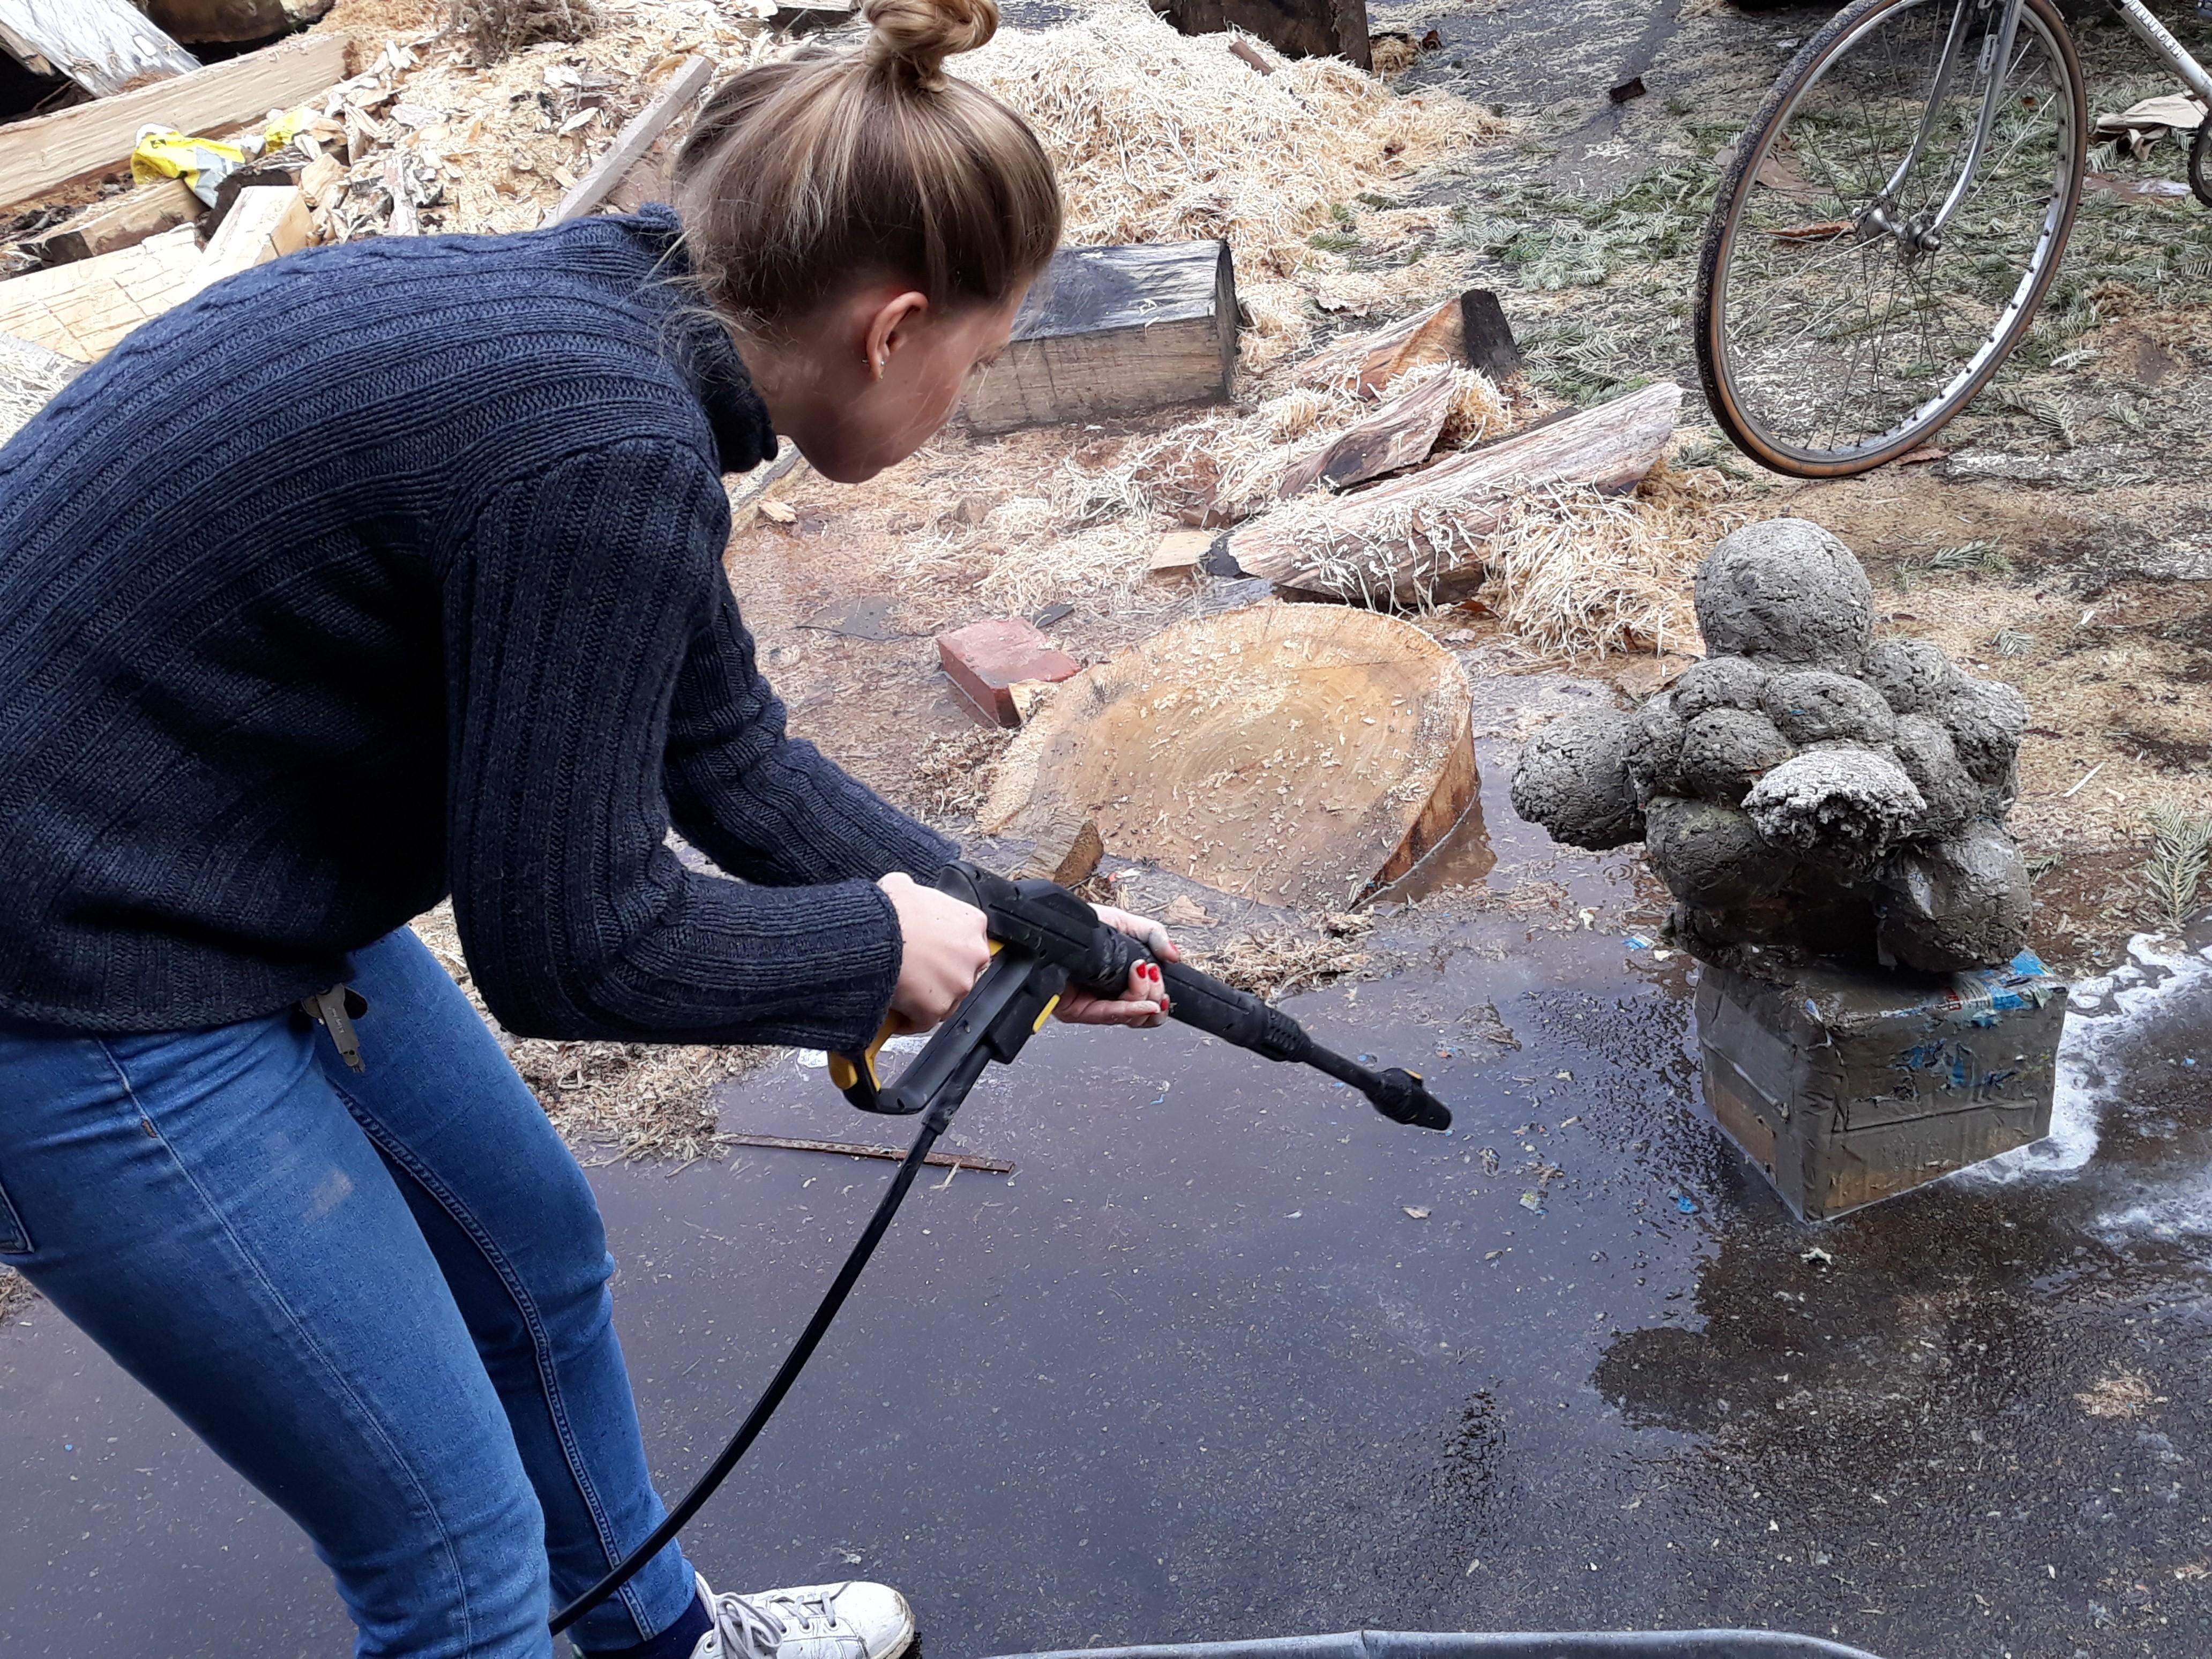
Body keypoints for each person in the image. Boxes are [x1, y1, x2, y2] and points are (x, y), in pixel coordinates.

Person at [0, 1, 1176, 1654]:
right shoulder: (598, 449)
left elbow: (730, 757)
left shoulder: (615, 340)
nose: (961, 401)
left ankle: (660, 1642)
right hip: (64, 975)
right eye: (979, 364)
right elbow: (575, 944)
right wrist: (874, 954)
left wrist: (1009, 923)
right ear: (894, 328)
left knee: (533, 1261)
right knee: (454, 1560)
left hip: (197, 866)